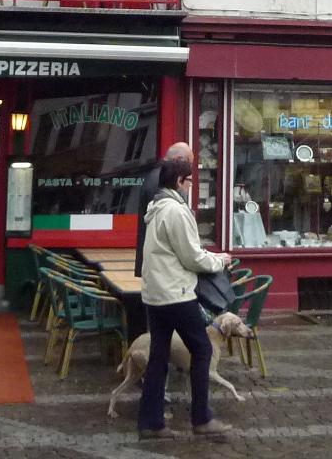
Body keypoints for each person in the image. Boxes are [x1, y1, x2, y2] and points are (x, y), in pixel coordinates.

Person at [138, 156, 233, 440]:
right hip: (176, 294)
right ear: (179, 181)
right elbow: (191, 257)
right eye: (190, 181)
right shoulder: (176, 212)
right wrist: (219, 260)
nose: (192, 186)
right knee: (202, 349)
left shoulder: (156, 209)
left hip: (155, 294)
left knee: (158, 357)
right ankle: (201, 418)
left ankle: (151, 422)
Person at [135, 142, 192, 277]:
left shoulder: (155, 175)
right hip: (162, 266)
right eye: (189, 164)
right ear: (178, 159)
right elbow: (170, 228)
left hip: (156, 263)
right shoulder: (163, 181)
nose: (190, 169)